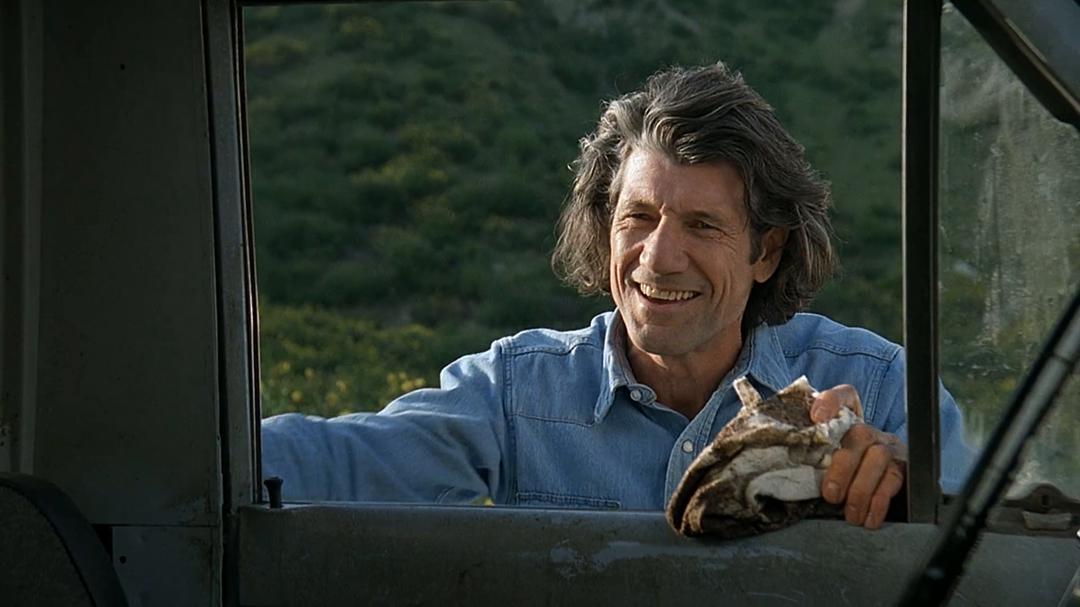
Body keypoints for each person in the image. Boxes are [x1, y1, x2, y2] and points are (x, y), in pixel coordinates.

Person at [262, 62, 972, 529]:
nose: (657, 256)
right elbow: (344, 460)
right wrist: (202, 451)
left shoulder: (881, 386)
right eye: (638, 217)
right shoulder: (519, 391)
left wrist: (903, 483)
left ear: (766, 251)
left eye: (701, 225)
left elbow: (999, 532)